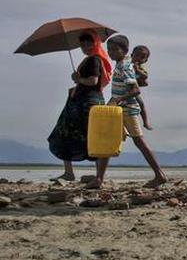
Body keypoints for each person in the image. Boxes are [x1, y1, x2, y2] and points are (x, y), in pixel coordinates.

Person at [48, 32, 112, 184]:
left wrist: (79, 79)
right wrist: (77, 81)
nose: (84, 47)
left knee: (74, 134)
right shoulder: (91, 60)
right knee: (82, 135)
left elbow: (93, 81)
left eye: (88, 43)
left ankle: (90, 176)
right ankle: (83, 174)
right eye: (82, 44)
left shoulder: (94, 60)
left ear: (95, 43)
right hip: (84, 102)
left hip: (86, 104)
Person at [105, 35, 167, 188]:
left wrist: (119, 99)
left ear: (124, 50)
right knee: (106, 139)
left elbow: (135, 90)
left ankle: (159, 175)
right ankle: (99, 178)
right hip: (118, 108)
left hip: (127, 109)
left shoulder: (124, 66)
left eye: (114, 50)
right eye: (109, 50)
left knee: (139, 142)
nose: (110, 53)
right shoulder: (124, 64)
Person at [131, 45, 153, 130]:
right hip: (123, 90)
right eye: (136, 56)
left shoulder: (140, 68)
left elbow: (145, 76)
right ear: (132, 55)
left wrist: (137, 70)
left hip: (134, 91)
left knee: (141, 104)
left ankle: (145, 122)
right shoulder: (126, 65)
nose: (138, 59)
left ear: (145, 60)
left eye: (142, 57)